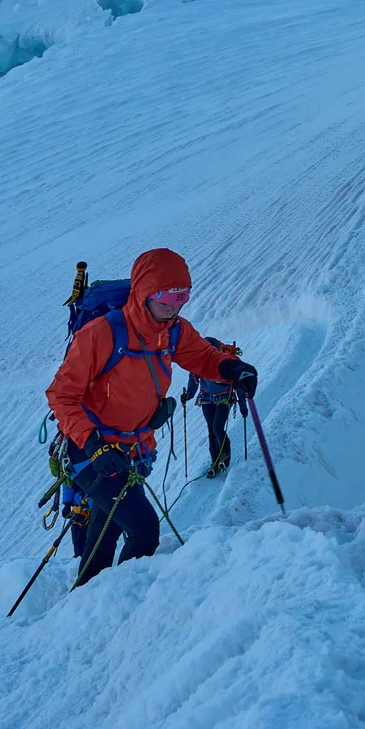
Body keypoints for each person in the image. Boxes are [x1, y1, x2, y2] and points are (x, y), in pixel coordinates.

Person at [48, 248, 256, 586]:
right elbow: (61, 394)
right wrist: (94, 444)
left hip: (130, 452)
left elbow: (203, 357)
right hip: (90, 452)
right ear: (144, 294)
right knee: (144, 529)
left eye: (183, 297)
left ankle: (82, 604)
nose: (175, 306)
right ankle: (121, 600)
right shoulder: (102, 334)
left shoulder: (173, 331)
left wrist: (234, 367)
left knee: (104, 536)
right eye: (167, 298)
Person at [179, 338, 243, 477]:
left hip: (223, 399)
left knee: (217, 428)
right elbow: (194, 380)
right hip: (208, 399)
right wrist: (188, 395)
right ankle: (214, 462)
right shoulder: (199, 362)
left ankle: (225, 455)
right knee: (212, 430)